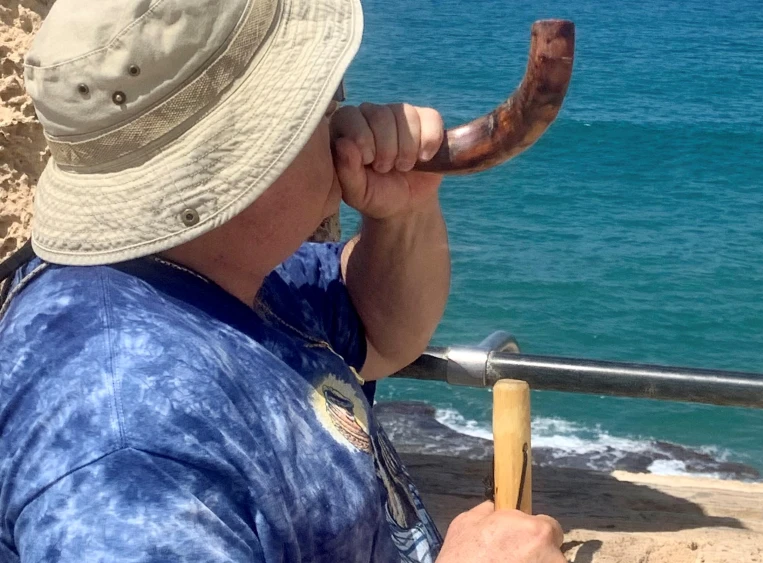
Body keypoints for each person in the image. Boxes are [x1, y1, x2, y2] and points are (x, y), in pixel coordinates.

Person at [0, 0, 567, 561]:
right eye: (324, 103)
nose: (348, 122)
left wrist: (401, 213)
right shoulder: (127, 439)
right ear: (244, 156)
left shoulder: (213, 277)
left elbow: (385, 333)